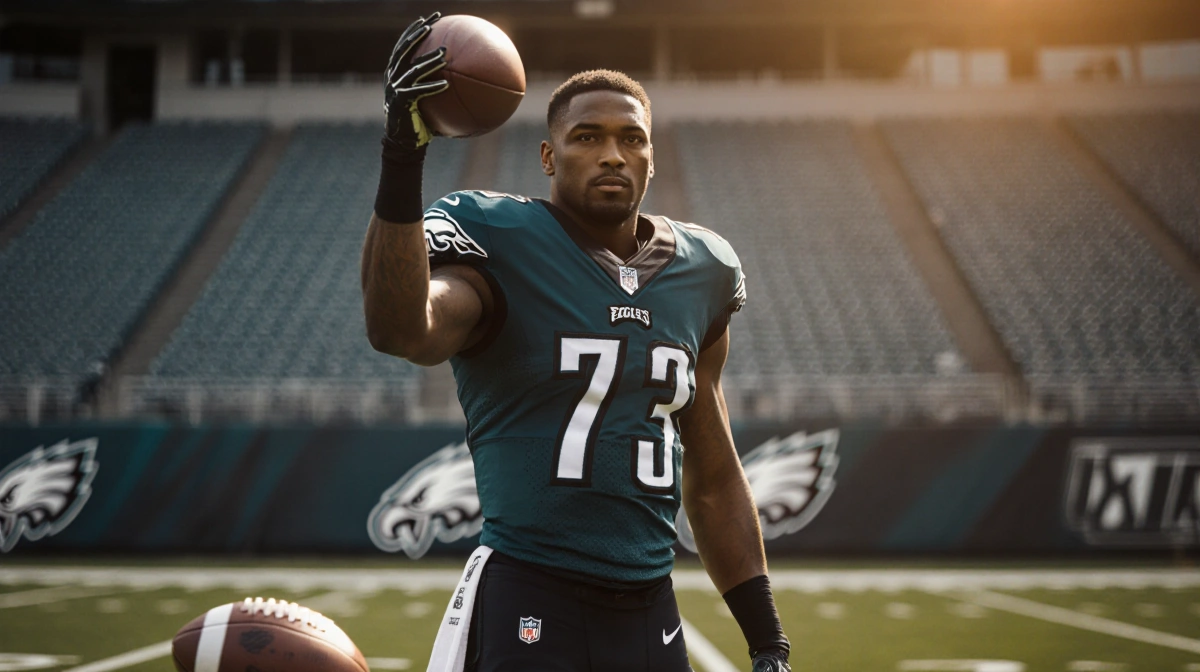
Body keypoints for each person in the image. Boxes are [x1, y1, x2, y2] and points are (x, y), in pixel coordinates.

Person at [362, 13, 791, 672]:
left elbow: (712, 474)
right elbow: (402, 329)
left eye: (631, 139)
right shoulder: (497, 238)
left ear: (652, 156)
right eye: (587, 137)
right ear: (548, 156)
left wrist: (767, 640)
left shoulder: (702, 271)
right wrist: (403, 151)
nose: (612, 154)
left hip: (651, 608)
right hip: (529, 591)